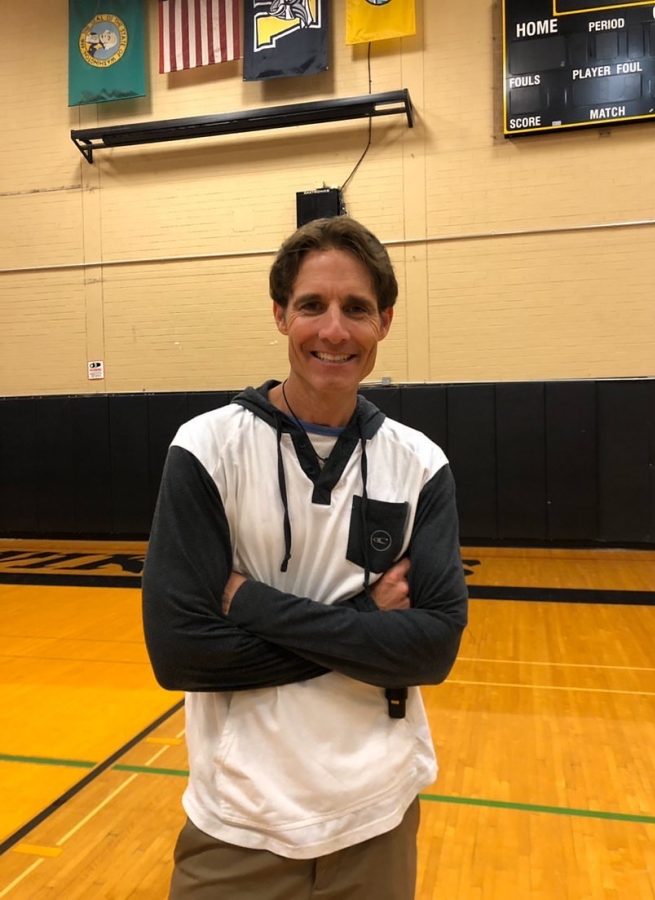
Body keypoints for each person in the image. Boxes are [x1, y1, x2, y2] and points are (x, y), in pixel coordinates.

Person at [142, 215, 468, 899]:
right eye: (311, 306)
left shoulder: (419, 464)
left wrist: (247, 602)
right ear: (279, 315)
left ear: (384, 320)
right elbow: (181, 655)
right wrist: (363, 619)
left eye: (355, 309)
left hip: (378, 814)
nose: (332, 330)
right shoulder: (205, 451)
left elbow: (431, 649)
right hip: (239, 823)